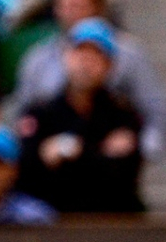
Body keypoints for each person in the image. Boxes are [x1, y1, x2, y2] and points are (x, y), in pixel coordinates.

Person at [7, 0, 166, 161]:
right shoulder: (38, 59)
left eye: (80, 1)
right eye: (66, 1)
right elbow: (21, 115)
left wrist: (136, 152)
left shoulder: (129, 55)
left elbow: (157, 114)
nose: (72, 7)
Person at [17, 19, 147, 214]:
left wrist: (73, 149)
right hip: (52, 216)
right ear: (66, 56)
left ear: (109, 65)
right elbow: (28, 169)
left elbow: (122, 174)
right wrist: (99, 152)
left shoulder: (124, 115)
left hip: (110, 216)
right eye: (80, 53)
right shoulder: (41, 112)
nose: (86, 63)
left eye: (96, 56)